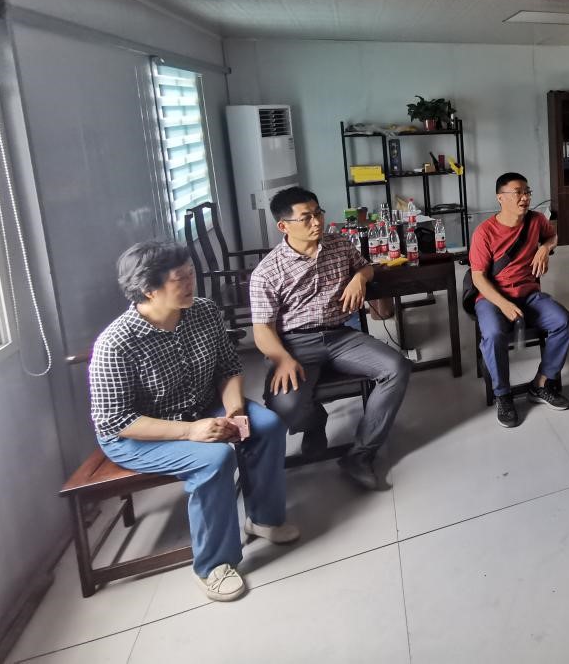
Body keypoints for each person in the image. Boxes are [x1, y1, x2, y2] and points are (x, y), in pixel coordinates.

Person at [90, 240, 297, 602]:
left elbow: (228, 367)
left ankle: (263, 519)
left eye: (191, 273)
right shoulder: (116, 343)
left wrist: (234, 410)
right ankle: (214, 565)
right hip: (137, 434)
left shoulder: (203, 311)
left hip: (199, 407)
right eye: (180, 278)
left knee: (266, 426)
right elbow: (117, 419)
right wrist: (190, 431)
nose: (191, 282)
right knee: (214, 459)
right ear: (149, 289)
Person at [250, 187, 411, 492]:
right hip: (295, 345)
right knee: (284, 407)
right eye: (306, 217)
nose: (317, 222)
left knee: (396, 367)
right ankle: (314, 421)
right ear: (283, 226)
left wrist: (359, 278)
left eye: (318, 213)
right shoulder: (267, 272)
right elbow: (262, 329)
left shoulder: (338, 243)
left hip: (340, 335)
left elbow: (365, 266)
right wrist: (282, 359)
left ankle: (360, 455)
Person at [470, 172, 569, 428]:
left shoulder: (536, 220)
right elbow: (478, 278)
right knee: (494, 334)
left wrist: (545, 248)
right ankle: (503, 395)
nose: (525, 197)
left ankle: (540, 383)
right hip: (493, 297)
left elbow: (553, 236)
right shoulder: (484, 232)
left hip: (528, 294)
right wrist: (503, 304)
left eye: (527, 192)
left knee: (565, 322)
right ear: (500, 198)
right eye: (518, 192)